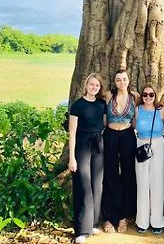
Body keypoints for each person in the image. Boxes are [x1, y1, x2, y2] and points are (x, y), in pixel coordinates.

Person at [68, 73, 107, 244]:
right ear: (86, 85)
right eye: (91, 84)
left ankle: (93, 223)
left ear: (100, 87)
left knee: (97, 185)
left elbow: (104, 124)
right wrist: (72, 158)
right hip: (82, 146)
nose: (94, 87)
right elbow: (72, 133)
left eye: (97, 85)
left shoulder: (101, 104)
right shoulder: (78, 105)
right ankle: (81, 230)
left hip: (98, 145)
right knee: (83, 186)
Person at [102, 69, 137, 233]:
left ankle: (123, 216)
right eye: (118, 80)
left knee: (127, 176)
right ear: (114, 82)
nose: (121, 82)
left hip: (128, 137)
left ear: (128, 80)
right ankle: (109, 217)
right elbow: (103, 119)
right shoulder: (109, 96)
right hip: (110, 136)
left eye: (124, 79)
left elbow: (137, 121)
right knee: (110, 176)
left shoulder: (134, 97)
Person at [133, 85, 164, 234]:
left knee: (158, 183)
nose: (148, 97)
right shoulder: (137, 109)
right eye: (145, 94)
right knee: (142, 182)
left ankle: (157, 220)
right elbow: (133, 126)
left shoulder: (161, 111)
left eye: (151, 95)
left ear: (155, 96)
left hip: (158, 145)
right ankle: (142, 221)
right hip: (141, 145)